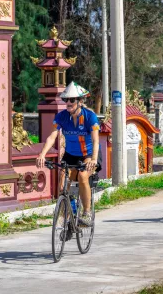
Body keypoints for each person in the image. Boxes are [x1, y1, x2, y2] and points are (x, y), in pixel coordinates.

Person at [36, 81, 100, 227]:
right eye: (66, 100)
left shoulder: (90, 117)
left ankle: (87, 213)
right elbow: (52, 136)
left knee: (83, 176)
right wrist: (42, 154)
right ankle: (71, 215)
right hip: (70, 154)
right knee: (62, 186)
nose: (68, 102)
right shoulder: (61, 116)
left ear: (80, 101)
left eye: (72, 99)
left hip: (88, 154)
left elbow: (96, 140)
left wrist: (94, 159)